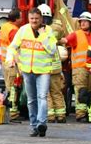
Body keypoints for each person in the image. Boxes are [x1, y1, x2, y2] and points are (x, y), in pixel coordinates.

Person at [6, 7, 57, 137]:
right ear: (28, 19)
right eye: (32, 19)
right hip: (27, 70)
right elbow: (12, 47)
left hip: (43, 70)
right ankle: (34, 127)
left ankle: (42, 124)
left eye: (36, 19)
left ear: (41, 19)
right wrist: (10, 59)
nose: (34, 21)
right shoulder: (23, 31)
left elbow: (52, 50)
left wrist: (43, 36)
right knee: (31, 100)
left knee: (42, 97)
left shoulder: (48, 31)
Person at [61, 12, 91, 122]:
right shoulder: (76, 34)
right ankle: (80, 114)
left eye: (85, 21)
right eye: (81, 21)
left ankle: (88, 113)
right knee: (81, 91)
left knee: (90, 92)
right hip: (79, 69)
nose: (83, 23)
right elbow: (64, 41)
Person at [38, 3, 67, 123]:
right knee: (57, 92)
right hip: (56, 66)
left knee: (46, 93)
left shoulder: (38, 31)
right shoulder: (57, 28)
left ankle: (50, 116)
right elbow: (61, 39)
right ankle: (61, 115)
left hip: (44, 66)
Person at [0, 8, 21, 120]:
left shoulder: (4, 26)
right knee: (13, 87)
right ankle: (13, 112)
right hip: (12, 62)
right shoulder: (14, 31)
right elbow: (15, 48)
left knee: (8, 86)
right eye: (20, 17)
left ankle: (9, 111)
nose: (22, 19)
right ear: (16, 19)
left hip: (5, 61)